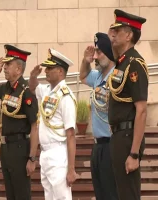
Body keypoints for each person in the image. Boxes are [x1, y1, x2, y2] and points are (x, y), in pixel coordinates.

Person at [0, 44, 39, 200]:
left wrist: (32, 158)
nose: (4, 67)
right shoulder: (7, 88)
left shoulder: (26, 92)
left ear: (18, 69)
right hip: (6, 148)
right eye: (4, 64)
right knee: (10, 193)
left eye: (8, 64)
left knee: (21, 193)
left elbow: (34, 127)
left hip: (20, 148)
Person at [108, 9, 148, 200]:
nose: (113, 34)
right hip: (117, 136)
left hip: (128, 137)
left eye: (119, 30)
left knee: (129, 195)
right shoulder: (121, 63)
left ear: (129, 35)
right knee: (120, 194)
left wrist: (134, 153)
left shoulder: (134, 63)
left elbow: (141, 110)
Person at [28, 48, 77, 200]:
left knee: (62, 197)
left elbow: (71, 135)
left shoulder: (66, 96)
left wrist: (71, 169)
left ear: (61, 71)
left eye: (50, 68)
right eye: (46, 68)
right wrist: (32, 75)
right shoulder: (47, 90)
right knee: (49, 196)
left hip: (58, 153)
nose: (47, 71)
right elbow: (32, 87)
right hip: (45, 153)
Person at [79, 32, 118, 200]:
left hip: (111, 143)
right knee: (100, 193)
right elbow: (82, 76)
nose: (95, 56)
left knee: (111, 193)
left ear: (109, 53)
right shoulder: (98, 76)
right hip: (98, 145)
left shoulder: (116, 76)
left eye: (99, 52)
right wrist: (84, 61)